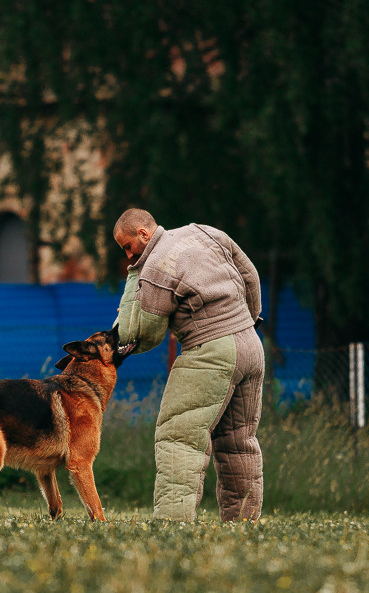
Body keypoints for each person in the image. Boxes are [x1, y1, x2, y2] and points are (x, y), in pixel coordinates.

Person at [112, 208, 265, 522]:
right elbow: (250, 276)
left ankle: (173, 521)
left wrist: (133, 277)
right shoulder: (203, 231)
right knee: (238, 441)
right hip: (251, 344)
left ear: (143, 233)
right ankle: (243, 523)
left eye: (128, 246)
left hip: (210, 351)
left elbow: (140, 333)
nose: (128, 256)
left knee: (178, 437)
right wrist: (249, 319)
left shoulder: (154, 268)